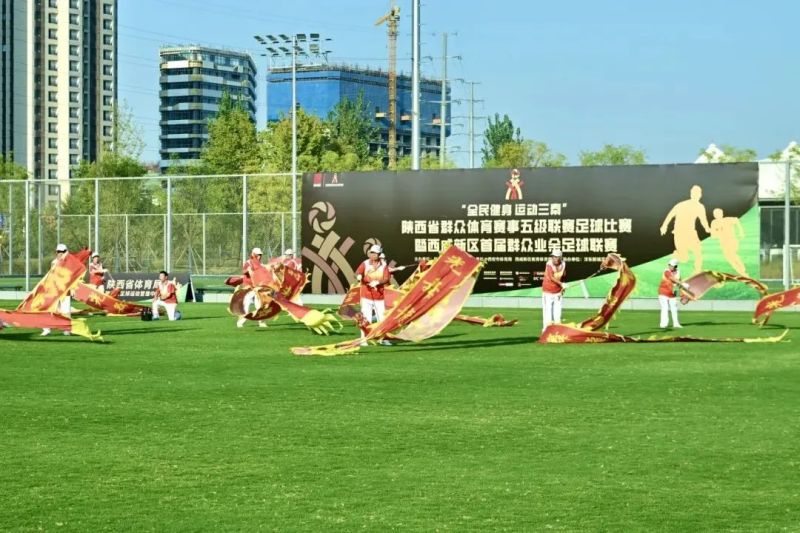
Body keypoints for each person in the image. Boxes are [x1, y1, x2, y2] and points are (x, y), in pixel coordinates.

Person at [660, 185, 711, 274]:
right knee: (684, 259)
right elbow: (671, 214)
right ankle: (677, 254)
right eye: (693, 193)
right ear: (691, 194)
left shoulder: (700, 207)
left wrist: (707, 228)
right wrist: (664, 226)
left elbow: (703, 220)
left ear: (700, 195)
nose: (695, 195)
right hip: (679, 233)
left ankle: (697, 271)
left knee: (698, 253)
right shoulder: (682, 204)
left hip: (691, 233)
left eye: (697, 193)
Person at [355, 244, 391, 346]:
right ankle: (363, 339)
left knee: (382, 319)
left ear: (379, 254)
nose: (373, 255)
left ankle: (383, 339)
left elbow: (386, 278)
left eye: (375, 253)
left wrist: (378, 282)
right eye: (371, 253)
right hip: (366, 296)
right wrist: (358, 276)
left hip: (379, 297)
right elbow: (358, 272)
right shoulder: (365, 263)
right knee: (366, 318)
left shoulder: (384, 265)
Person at [42, 243, 73, 336]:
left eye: (63, 251)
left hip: (65, 291)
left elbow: (71, 277)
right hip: (54, 291)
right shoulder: (54, 262)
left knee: (66, 311)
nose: (60, 253)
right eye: (59, 251)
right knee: (49, 310)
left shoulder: (70, 263)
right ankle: (47, 329)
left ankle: (66, 329)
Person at [710, 208, 747, 276]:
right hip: (723, 242)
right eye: (715, 214)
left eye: (718, 213)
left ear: (722, 214)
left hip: (731, 240)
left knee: (732, 255)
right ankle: (741, 271)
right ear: (714, 215)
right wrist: (716, 234)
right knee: (729, 257)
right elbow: (713, 235)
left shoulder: (727, 219)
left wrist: (741, 232)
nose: (717, 215)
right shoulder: (714, 223)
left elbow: (736, 220)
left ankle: (742, 271)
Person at [238, 247, 267, 328]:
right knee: (246, 307)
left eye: (260, 255)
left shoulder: (261, 264)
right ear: (253, 255)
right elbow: (245, 271)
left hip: (257, 288)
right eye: (258, 255)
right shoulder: (248, 263)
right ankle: (241, 322)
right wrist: (250, 270)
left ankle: (261, 322)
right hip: (248, 288)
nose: (259, 256)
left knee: (259, 306)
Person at [658, 258, 688, 329]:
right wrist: (682, 283)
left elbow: (679, 283)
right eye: (670, 265)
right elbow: (672, 278)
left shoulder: (678, 272)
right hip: (663, 292)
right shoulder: (666, 271)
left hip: (672, 293)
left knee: (674, 308)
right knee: (665, 308)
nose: (670, 266)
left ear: (675, 266)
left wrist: (682, 295)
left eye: (672, 266)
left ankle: (676, 324)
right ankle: (663, 324)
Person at [541, 249, 566, 332]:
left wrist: (563, 286)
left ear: (560, 257)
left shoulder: (563, 264)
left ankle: (557, 331)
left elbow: (564, 275)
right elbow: (551, 277)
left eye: (556, 257)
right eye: (553, 257)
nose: (554, 259)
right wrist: (561, 284)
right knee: (547, 312)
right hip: (548, 291)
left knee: (558, 313)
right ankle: (546, 331)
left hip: (558, 291)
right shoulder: (549, 264)